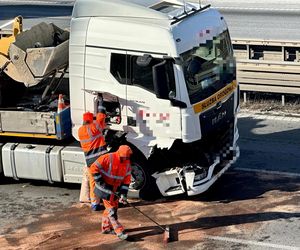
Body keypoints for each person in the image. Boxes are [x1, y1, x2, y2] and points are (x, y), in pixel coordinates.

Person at [89, 145, 133, 240]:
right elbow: (93, 168)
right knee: (112, 211)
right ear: (120, 154)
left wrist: (123, 194)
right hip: (104, 189)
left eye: (127, 156)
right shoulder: (107, 158)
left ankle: (106, 228)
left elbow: (126, 180)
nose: (126, 158)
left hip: (115, 191)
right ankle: (119, 231)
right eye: (124, 156)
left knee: (111, 209)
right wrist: (101, 182)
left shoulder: (127, 164)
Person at [78, 111, 107, 211]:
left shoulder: (80, 130)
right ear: (91, 120)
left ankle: (95, 204)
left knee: (93, 182)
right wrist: (101, 108)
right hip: (100, 159)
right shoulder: (94, 127)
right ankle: (109, 200)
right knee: (106, 179)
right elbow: (101, 117)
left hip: (89, 161)